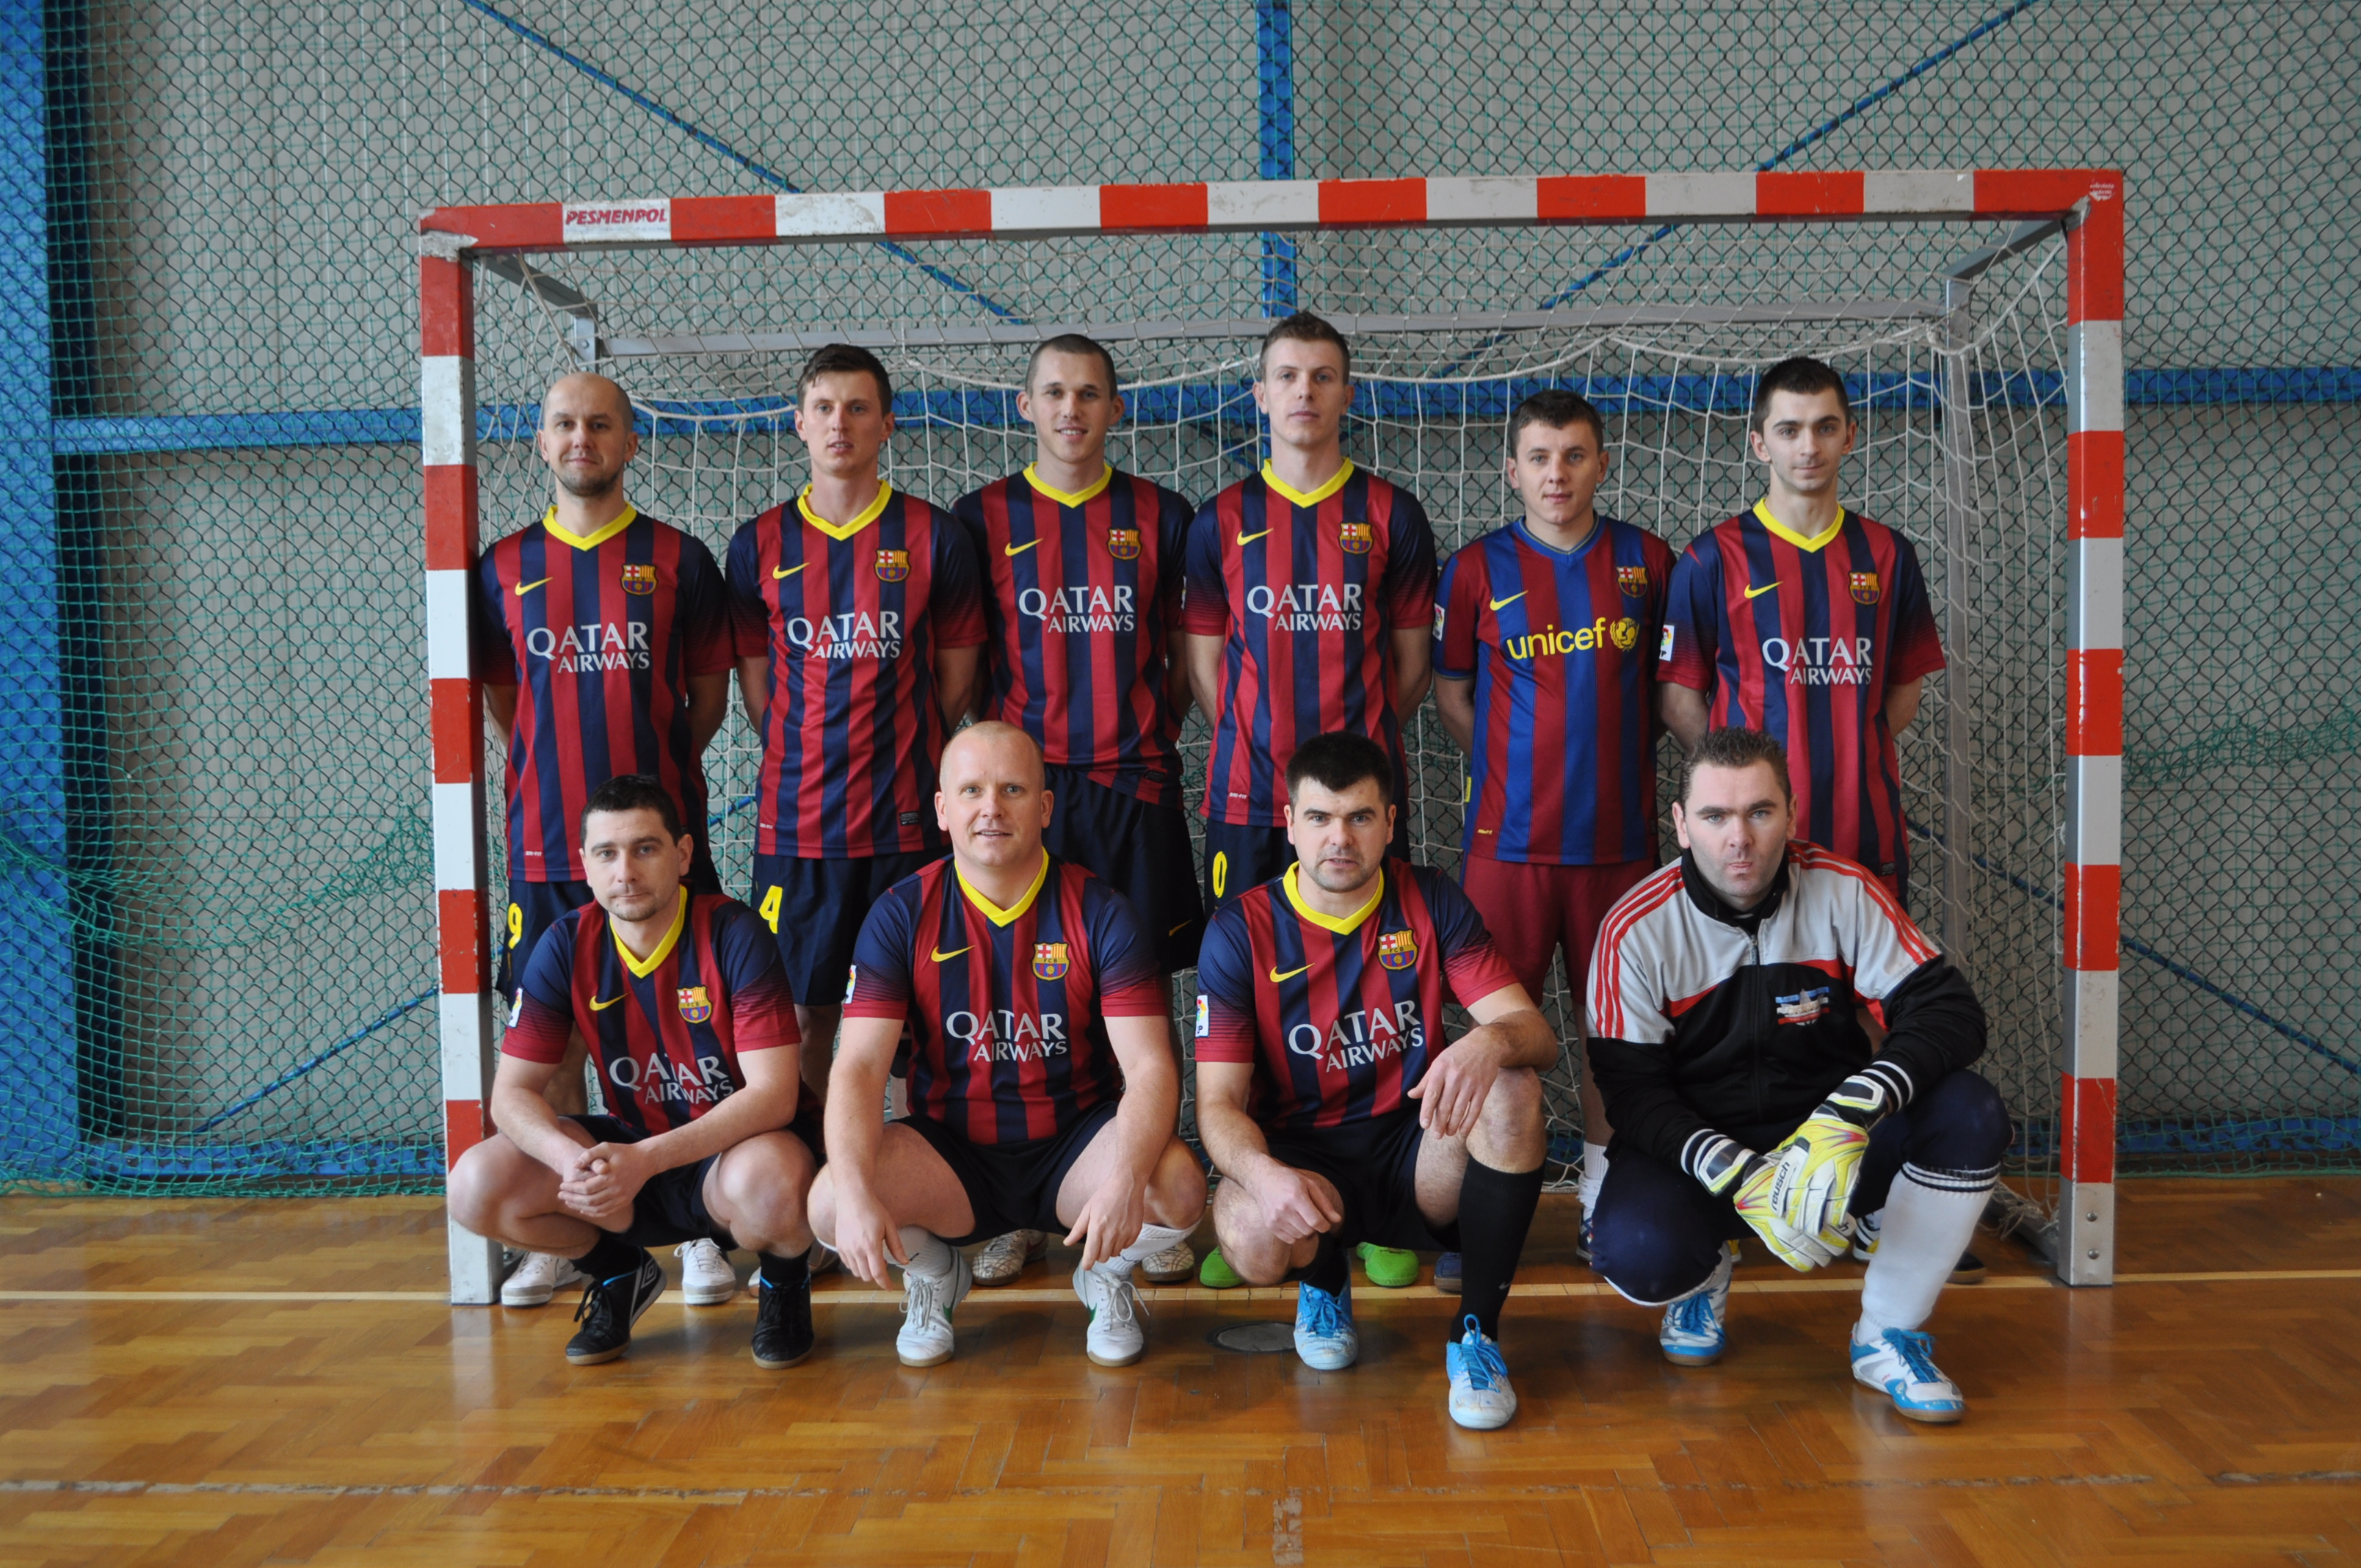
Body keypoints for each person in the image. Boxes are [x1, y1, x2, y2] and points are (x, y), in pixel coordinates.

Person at [1586, 727, 2005, 1422]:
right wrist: (1734, 1171)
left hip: (1830, 1148)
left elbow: (1950, 1012)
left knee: (1971, 1111)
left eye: (1760, 811)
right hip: (1704, 1161)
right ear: (1681, 825)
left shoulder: (1844, 890)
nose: (1739, 839)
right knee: (1635, 1254)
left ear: (1792, 813)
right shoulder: (1636, 928)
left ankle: (1887, 1335)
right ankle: (1705, 1272)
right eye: (1716, 816)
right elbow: (1631, 1093)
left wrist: (1853, 1111)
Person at [805, 722, 1207, 1370]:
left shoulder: (1103, 910)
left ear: (1044, 807)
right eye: (972, 790)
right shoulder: (900, 913)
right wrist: (855, 1193)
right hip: (952, 1157)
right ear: (943, 809)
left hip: (1075, 1147)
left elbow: (1152, 1067)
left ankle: (1104, 1273)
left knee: (1178, 1185)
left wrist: (1127, 1178)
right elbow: (856, 1067)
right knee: (830, 1200)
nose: (991, 808)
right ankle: (935, 1275)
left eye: (1012, 789)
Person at [1192, 731, 1554, 1431]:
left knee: (1513, 1087)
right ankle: (1323, 1280)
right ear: (1289, 823)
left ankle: (1477, 1335)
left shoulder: (1431, 899)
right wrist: (1263, 1176)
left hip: (1419, 1152)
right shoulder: (1241, 931)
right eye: (1320, 818)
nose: (1340, 838)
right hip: (1305, 1162)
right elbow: (1217, 1104)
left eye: (1360, 817)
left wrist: (1489, 1041)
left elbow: (1534, 1034)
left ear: (1390, 822)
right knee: (1247, 1231)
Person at [474, 371, 736, 1310]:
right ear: (542, 444)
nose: (581, 438)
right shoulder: (502, 567)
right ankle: (577, 1227)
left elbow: (706, 700)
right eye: (564, 424)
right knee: (554, 1052)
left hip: (659, 847)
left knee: (688, 1034)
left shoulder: (678, 559)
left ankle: (698, 1224)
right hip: (546, 848)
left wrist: (648, 804)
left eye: (600, 424)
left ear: (629, 443)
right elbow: (507, 702)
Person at [951, 334, 1204, 1291]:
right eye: (1054, 392)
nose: (1071, 409)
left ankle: (1145, 1193)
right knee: (1018, 992)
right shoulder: (980, 519)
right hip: (1027, 800)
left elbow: (1181, 661)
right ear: (1025, 406)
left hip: (1133, 787)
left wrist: (1136, 735)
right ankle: (1018, 1205)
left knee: (1144, 993)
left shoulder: (1162, 515)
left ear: (1115, 409)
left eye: (1090, 393)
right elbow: (966, 667)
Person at [446, 776, 822, 1370]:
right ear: (586, 865)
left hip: (732, 1155)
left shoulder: (734, 932)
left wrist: (645, 1160)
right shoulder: (564, 943)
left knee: (770, 1179)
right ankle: (618, 1273)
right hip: (630, 1153)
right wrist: (572, 1163)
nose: (625, 872)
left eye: (645, 848)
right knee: (475, 1183)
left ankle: (783, 1281)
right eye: (607, 853)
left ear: (683, 854)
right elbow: (512, 1095)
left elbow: (774, 1096)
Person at [1432, 389, 1676, 1272]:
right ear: (1513, 470)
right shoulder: (1474, 569)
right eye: (1539, 457)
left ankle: (1604, 1203)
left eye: (1574, 455)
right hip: (1507, 849)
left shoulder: (1649, 561)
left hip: (1620, 848)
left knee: (1616, 1036)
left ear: (1602, 465)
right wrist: (1512, 769)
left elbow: (1668, 695)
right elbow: (1453, 696)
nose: (1557, 473)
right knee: (1494, 1036)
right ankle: (1476, 1216)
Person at [725, 343, 985, 1111]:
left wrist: (904, 742)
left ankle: (909, 1171)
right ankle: (809, 1169)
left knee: (917, 1019)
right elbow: (758, 686)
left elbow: (956, 681)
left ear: (887, 425)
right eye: (825, 408)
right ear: (800, 423)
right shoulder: (757, 544)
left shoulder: (935, 536)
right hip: (798, 830)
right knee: (803, 1017)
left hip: (905, 826)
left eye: (859, 408)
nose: (841, 423)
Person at [1655, 355, 1945, 906]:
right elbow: (1677, 701)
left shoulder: (1889, 555)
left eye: (1825, 427)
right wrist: (1741, 778)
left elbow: (1904, 695)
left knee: (1867, 966)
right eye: (1789, 430)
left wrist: (1846, 749)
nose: (1808, 447)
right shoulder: (1712, 558)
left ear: (1849, 436)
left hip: (1865, 830)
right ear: (1760, 444)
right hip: (1749, 846)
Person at [1180, 310, 1438, 906]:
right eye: (1288, 376)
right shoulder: (1218, 520)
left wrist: (1353, 754)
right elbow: (1203, 669)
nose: (1305, 391)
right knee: (1243, 956)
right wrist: (1255, 735)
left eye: (1322, 377)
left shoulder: (1394, 514)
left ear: (1346, 395)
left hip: (1361, 801)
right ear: (1261, 395)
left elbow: (1412, 670)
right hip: (1250, 796)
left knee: (1366, 953)